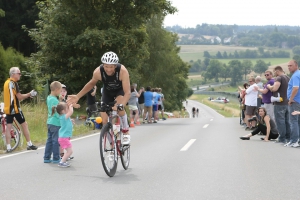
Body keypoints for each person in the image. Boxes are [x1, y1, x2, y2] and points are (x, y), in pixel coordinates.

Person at [67, 51, 131, 144]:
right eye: (106, 66)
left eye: (111, 66)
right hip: (107, 92)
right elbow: (91, 84)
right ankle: (111, 146)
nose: (108, 69)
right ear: (103, 65)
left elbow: (127, 92)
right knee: (104, 120)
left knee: (118, 107)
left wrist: (122, 105)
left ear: (115, 65)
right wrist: (78, 96)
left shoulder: (122, 71)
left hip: (119, 91)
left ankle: (126, 131)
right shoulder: (98, 72)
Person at [3, 67, 38, 153]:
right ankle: (29, 144)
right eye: (19, 73)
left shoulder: (6, 83)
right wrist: (29, 94)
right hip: (15, 109)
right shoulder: (14, 83)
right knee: (24, 124)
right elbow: (20, 97)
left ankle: (8, 147)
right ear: (13, 74)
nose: (20, 75)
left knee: (8, 127)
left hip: (8, 109)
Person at [267, 66, 290, 144]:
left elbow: (275, 89)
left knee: (280, 121)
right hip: (287, 102)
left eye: (274, 72)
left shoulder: (279, 78)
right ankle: (288, 137)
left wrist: (269, 86)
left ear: (277, 71)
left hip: (279, 103)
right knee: (287, 121)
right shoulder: (288, 78)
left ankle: (282, 138)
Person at [44, 81, 62, 163]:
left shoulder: (49, 98)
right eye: (60, 91)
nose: (60, 92)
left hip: (49, 122)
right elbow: (57, 113)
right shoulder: (55, 101)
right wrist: (63, 118)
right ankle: (56, 158)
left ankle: (46, 157)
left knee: (50, 140)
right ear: (57, 89)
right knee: (56, 141)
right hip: (55, 122)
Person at [285, 60, 300, 147]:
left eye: (290, 65)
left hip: (295, 102)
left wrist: (290, 99)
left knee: (293, 121)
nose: (289, 67)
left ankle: (294, 140)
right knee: (297, 122)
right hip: (298, 100)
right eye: (288, 66)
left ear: (296, 66)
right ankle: (297, 140)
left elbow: (295, 88)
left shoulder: (295, 75)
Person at [53, 102, 74, 167]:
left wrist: (71, 121)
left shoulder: (64, 117)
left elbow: (67, 121)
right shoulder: (63, 117)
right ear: (63, 111)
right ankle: (62, 162)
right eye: (67, 108)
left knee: (68, 151)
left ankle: (63, 160)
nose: (68, 109)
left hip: (64, 137)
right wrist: (71, 106)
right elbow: (71, 112)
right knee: (70, 151)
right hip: (64, 138)